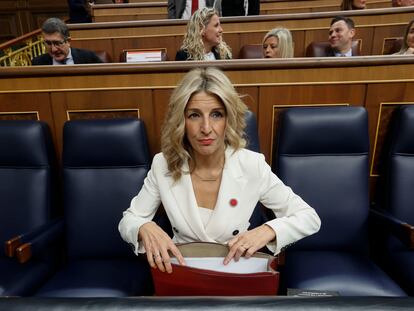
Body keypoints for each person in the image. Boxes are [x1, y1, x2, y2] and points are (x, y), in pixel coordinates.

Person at [118, 67, 321, 274]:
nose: (206, 128)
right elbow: (129, 220)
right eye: (194, 115)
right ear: (181, 121)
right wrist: (143, 228)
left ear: (229, 120)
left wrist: (268, 230)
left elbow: (309, 217)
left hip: (234, 273)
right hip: (181, 272)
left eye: (216, 114)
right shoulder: (163, 165)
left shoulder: (252, 165)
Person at [32, 18, 103, 66]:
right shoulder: (37, 63)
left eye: (57, 43)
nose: (54, 49)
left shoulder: (88, 58)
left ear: (68, 41)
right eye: (48, 43)